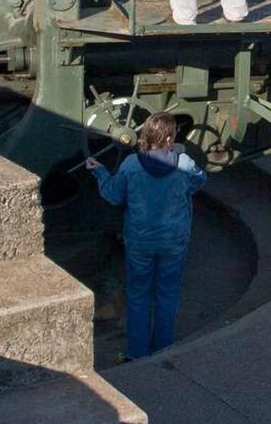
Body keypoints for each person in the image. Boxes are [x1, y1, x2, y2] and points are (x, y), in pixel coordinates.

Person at [87, 112, 207, 359]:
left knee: (138, 295)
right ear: (170, 137)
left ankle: (136, 353)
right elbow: (199, 181)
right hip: (174, 239)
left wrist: (99, 172)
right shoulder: (183, 163)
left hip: (140, 240)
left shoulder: (132, 165)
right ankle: (163, 349)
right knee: (168, 294)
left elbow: (114, 195)